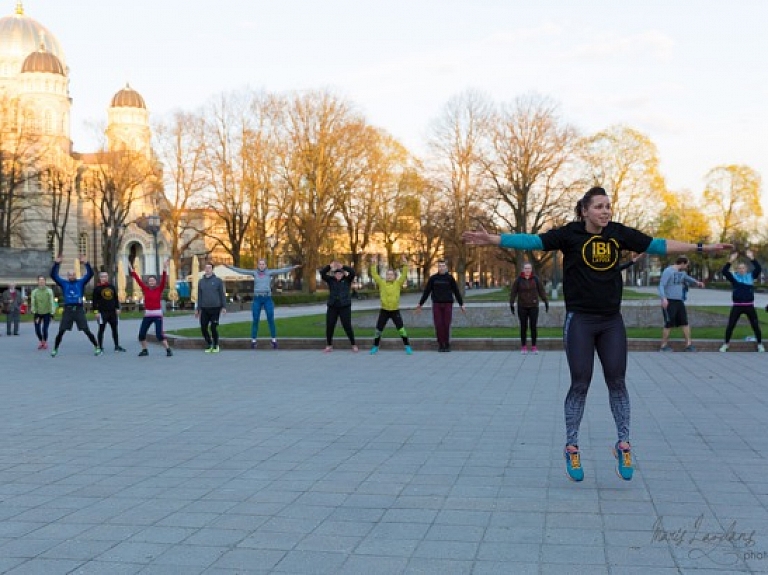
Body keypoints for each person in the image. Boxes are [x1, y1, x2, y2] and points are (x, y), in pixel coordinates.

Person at [462, 186, 731, 483]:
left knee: (617, 381)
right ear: (584, 210)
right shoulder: (569, 234)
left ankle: (623, 444)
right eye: (599, 207)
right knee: (581, 383)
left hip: (611, 321)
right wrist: (493, 239)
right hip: (581, 321)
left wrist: (701, 248)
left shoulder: (618, 233)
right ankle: (572, 446)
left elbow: (658, 245)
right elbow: (533, 240)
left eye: (608, 206)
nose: (605, 211)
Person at [227, 259, 300, 349]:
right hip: (257, 299)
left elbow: (281, 270)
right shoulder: (254, 273)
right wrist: (229, 267)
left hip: (267, 298)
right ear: (257, 265)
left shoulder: (270, 272)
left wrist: (292, 268)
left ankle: (273, 340)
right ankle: (253, 341)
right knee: (255, 319)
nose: (261, 266)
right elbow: (242, 271)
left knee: (270, 318)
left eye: (263, 264)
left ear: (265, 265)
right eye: (260, 264)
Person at [49, 254, 102, 357]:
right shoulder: (64, 283)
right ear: (68, 276)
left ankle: (97, 347)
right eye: (70, 275)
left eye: (73, 274)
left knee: (86, 330)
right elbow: (53, 276)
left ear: (75, 275)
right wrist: (56, 264)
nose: (71, 276)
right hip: (68, 310)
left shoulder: (80, 282)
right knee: (61, 331)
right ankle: (55, 349)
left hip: (78, 309)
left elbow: (90, 274)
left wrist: (86, 263)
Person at [719, 250, 764, 353]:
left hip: (749, 306)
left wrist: (752, 258)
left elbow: (758, 268)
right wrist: (730, 260)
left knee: (755, 326)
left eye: (743, 268)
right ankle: (726, 344)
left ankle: (760, 345)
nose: (741, 270)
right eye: (739, 268)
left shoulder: (751, 276)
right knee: (730, 325)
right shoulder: (734, 278)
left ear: (746, 269)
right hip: (737, 306)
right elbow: (725, 271)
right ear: (737, 270)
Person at [415, 260, 465, 352]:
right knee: (438, 325)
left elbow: (456, 291)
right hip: (437, 304)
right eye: (440, 266)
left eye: (443, 266)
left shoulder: (450, 278)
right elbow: (427, 292)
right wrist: (420, 304)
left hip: (448, 304)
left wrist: (461, 304)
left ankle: (447, 343)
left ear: (446, 267)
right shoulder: (433, 279)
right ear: (438, 268)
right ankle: (441, 344)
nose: (441, 268)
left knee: (446, 324)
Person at [369, 254, 412, 355]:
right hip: (384, 310)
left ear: (394, 276)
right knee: (378, 330)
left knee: (401, 330)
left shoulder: (398, 283)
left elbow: (404, 275)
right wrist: (373, 263)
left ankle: (407, 346)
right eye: (388, 274)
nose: (389, 276)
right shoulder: (382, 283)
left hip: (394, 311)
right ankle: (375, 346)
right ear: (385, 276)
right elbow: (374, 275)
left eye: (391, 274)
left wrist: (405, 264)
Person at [658, 256, 703, 352]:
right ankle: (663, 345)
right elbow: (661, 285)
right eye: (686, 264)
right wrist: (663, 298)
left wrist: (697, 282)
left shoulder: (682, 273)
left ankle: (688, 344)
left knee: (684, 322)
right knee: (669, 323)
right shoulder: (668, 271)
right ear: (682, 263)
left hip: (679, 301)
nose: (687, 266)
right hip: (669, 301)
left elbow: (687, 278)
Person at [129, 259, 173, 357]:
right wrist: (132, 272)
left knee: (159, 335)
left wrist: (165, 268)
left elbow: (164, 280)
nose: (151, 282)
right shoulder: (145, 289)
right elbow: (138, 281)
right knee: (141, 334)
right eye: (150, 281)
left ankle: (168, 349)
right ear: (148, 283)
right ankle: (145, 350)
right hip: (148, 315)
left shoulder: (159, 289)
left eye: (153, 281)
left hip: (157, 315)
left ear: (155, 282)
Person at [509, 262, 549, 355]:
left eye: (529, 268)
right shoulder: (518, 280)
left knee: (533, 327)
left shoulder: (535, 279)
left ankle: (534, 346)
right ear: (523, 269)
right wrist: (511, 303)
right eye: (526, 268)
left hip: (533, 306)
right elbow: (513, 292)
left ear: (531, 270)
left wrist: (546, 301)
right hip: (522, 306)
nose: (527, 270)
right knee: (523, 327)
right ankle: (524, 346)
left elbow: (541, 291)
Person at [319, 260, 358, 353]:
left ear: (343, 274)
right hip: (333, 306)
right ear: (334, 274)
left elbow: (352, 272)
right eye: (336, 274)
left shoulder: (347, 280)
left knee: (347, 326)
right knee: (330, 325)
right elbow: (322, 274)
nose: (338, 275)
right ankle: (329, 345)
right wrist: (329, 266)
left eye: (340, 273)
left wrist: (343, 266)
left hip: (345, 306)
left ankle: (353, 344)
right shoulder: (331, 280)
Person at [195, 263, 227, 353]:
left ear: (212, 269)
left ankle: (216, 345)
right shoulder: (201, 281)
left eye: (209, 268)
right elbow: (199, 296)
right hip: (204, 308)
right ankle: (209, 343)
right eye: (206, 267)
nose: (207, 269)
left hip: (215, 308)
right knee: (203, 327)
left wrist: (224, 307)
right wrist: (198, 309)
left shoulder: (218, 281)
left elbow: (222, 294)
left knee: (213, 327)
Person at [92, 271, 126, 352]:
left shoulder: (112, 287)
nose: (104, 278)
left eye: (106, 276)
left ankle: (117, 346)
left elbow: (115, 298)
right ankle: (100, 347)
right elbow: (94, 301)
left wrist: (117, 308)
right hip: (102, 312)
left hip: (112, 312)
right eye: (102, 276)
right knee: (101, 329)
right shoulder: (97, 288)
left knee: (115, 329)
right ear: (100, 278)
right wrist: (96, 312)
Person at [30, 275, 55, 350]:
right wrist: (34, 311)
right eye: (40, 280)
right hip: (37, 313)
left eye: (43, 280)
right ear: (37, 282)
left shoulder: (49, 291)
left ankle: (44, 341)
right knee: (37, 329)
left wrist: (52, 312)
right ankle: (41, 341)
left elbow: (51, 302)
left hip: (47, 313)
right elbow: (33, 302)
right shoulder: (34, 292)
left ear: (45, 281)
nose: (41, 282)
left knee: (45, 329)